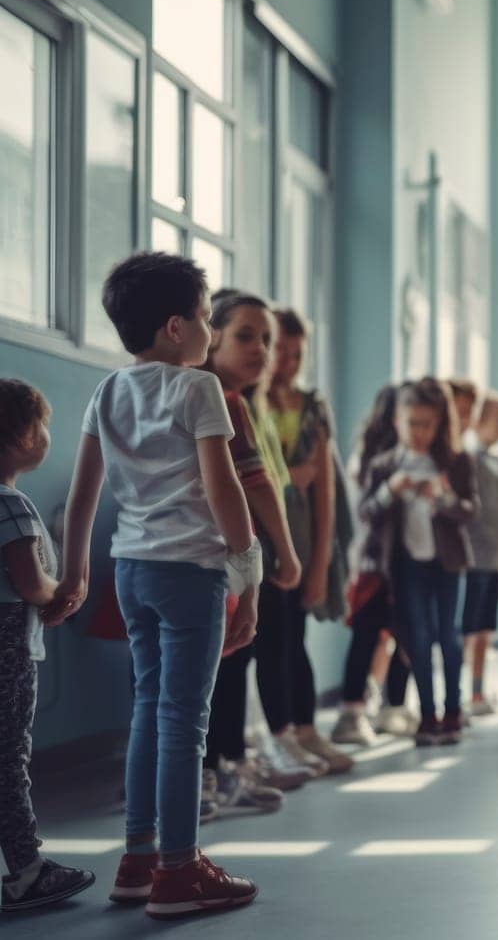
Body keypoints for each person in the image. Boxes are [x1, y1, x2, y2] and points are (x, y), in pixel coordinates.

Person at [61, 253, 260, 918]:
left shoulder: (108, 390)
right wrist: (248, 564)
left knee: (148, 708)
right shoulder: (197, 388)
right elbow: (221, 484)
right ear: (177, 327)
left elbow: (85, 491)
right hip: (187, 573)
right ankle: (179, 870)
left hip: (131, 572)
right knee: (184, 720)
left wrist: (76, 568)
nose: (209, 329)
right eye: (207, 317)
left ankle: (138, 856)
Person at [199, 293, 327, 794]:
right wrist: (286, 551)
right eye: (246, 336)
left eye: (268, 340)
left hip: (236, 553)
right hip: (218, 553)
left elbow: (263, 479)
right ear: (211, 336)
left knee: (235, 658)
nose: (262, 351)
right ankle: (215, 769)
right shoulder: (213, 397)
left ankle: (225, 764)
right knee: (222, 662)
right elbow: (254, 485)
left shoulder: (242, 402)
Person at [0, 379, 97, 912]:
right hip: (9, 647)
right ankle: (27, 870)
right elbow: (28, 581)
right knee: (10, 758)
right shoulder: (10, 505)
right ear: (17, 434)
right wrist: (62, 595)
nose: (46, 436)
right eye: (41, 426)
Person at [359, 379, 478, 747]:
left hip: (448, 564)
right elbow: (365, 511)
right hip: (406, 566)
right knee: (419, 639)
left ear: (440, 424)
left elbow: (470, 511)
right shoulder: (384, 465)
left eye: (428, 424)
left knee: (449, 636)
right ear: (397, 421)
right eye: (412, 423)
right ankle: (427, 715)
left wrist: (443, 498)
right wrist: (389, 490)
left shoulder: (457, 462)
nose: (419, 432)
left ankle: (453, 709)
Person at [262, 307, 352, 772]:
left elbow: (325, 494)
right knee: (270, 644)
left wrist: (319, 563)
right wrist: (285, 478)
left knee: (294, 640)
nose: (289, 362)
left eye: (299, 354)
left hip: (301, 541)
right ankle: (276, 737)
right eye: (282, 351)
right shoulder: (246, 403)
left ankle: (305, 729)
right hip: (260, 546)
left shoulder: (312, 406)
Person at [333, 385, 414, 744]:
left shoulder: (420, 457)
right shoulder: (373, 462)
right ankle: (351, 713)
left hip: (410, 565)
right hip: (373, 564)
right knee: (365, 637)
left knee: (406, 637)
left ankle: (392, 708)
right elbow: (364, 512)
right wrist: (391, 491)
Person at [462, 392, 498, 716]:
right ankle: (469, 693)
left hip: (496, 557)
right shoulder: (471, 460)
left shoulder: (495, 462)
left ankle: (477, 691)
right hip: (477, 558)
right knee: (472, 629)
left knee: (486, 628)